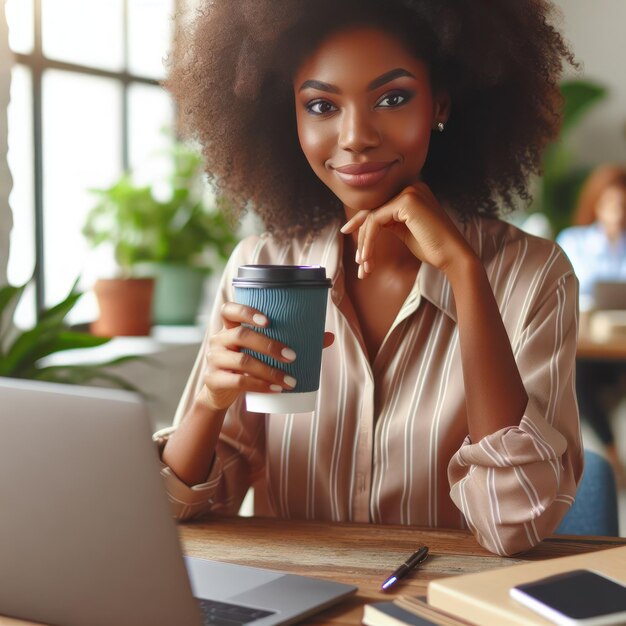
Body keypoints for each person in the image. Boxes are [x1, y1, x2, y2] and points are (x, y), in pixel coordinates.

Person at [154, 0, 583, 556]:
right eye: (321, 105)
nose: (355, 136)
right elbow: (176, 511)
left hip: (442, 608)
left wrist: (464, 273)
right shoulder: (264, 269)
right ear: (291, 116)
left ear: (440, 105)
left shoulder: (534, 276)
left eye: (393, 98)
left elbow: (513, 524)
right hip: (298, 602)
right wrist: (210, 404)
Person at [557, 165, 626, 483]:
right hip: (591, 342)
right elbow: (568, 293)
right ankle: (613, 458)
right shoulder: (575, 241)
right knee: (578, 374)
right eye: (613, 204)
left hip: (619, 346)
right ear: (597, 203)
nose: (618, 212)